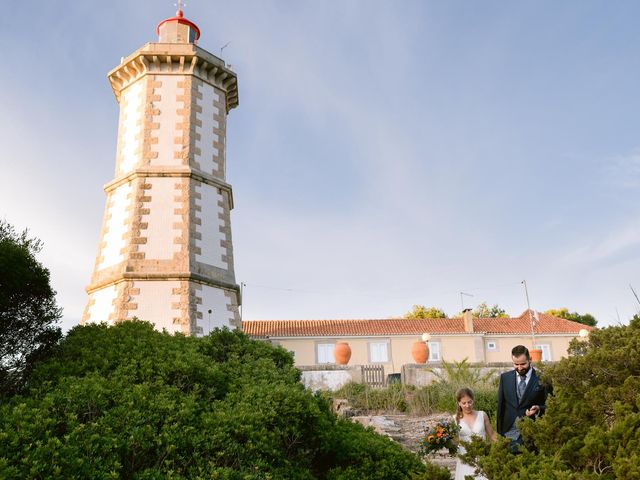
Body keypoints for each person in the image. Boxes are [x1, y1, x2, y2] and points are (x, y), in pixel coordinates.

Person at [496, 345, 551, 451]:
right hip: (508, 433)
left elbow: (551, 405)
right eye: (516, 364)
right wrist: (500, 432)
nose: (519, 368)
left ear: (530, 360)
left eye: (523, 364)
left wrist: (539, 408)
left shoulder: (543, 378)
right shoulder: (505, 378)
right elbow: (501, 406)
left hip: (533, 434)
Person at [453, 387, 496, 480]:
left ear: (473, 401)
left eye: (469, 402)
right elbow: (455, 442)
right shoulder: (455, 419)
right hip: (464, 460)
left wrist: (503, 446)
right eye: (464, 403)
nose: (467, 405)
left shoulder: (482, 415)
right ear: (459, 403)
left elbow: (492, 435)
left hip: (481, 458)